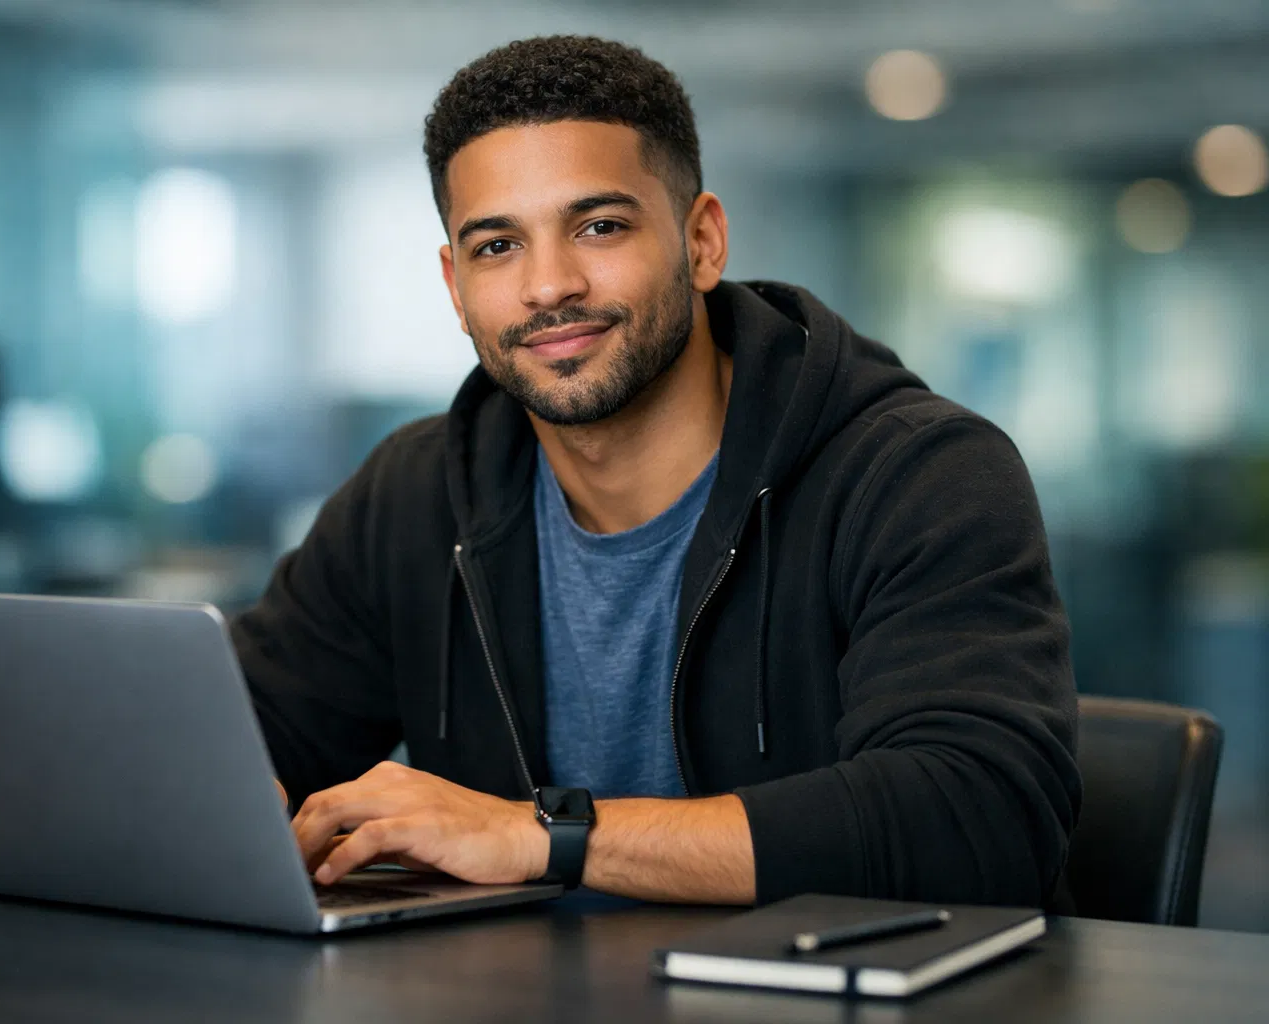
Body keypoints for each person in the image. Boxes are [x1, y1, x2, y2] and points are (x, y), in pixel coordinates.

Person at [233, 35, 1081, 907]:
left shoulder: (916, 475)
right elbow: (227, 746)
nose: (548, 285)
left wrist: (540, 838)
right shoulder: (416, 496)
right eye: (497, 246)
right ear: (455, 286)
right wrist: (219, 795)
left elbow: (976, 823)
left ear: (702, 241)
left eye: (599, 226)